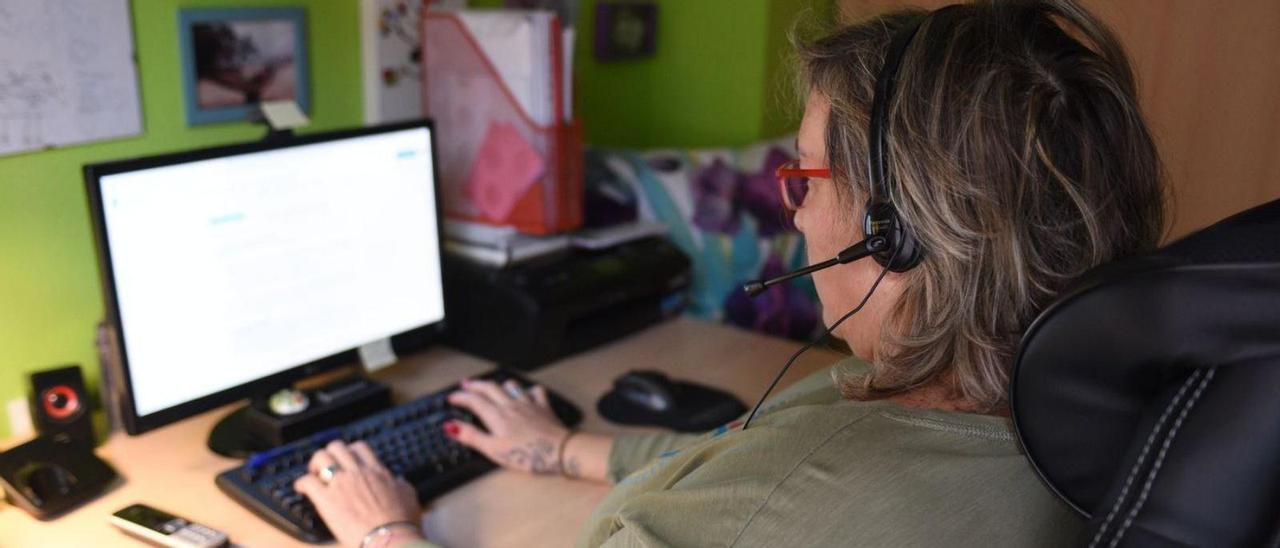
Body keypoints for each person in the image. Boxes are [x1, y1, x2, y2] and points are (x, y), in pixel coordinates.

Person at [292, 0, 1166, 545]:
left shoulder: (802, 487)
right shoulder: (1064, 409)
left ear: (893, 233)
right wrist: (566, 449)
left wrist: (383, 528)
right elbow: (739, 471)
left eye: (804, 177)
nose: (791, 210)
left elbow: (763, 494)